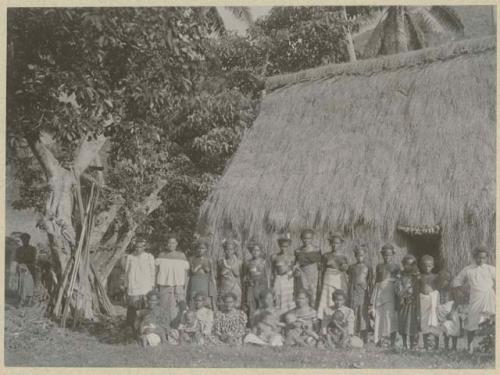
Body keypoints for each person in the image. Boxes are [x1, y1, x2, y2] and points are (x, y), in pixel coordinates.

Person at [452, 245, 495, 352]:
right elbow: (456, 282)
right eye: (479, 257)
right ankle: (470, 347)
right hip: (475, 298)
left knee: (492, 321)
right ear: (474, 257)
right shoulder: (468, 270)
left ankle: (492, 346)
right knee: (472, 322)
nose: (481, 260)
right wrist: (463, 290)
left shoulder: (490, 269)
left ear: (487, 258)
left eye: (484, 258)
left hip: (489, 297)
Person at [156, 235, 190, 329]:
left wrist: (184, 288)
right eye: (169, 242)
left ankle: (175, 328)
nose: (171, 245)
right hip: (164, 286)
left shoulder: (181, 256)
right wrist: (156, 286)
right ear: (166, 244)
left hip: (178, 286)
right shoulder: (161, 255)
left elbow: (185, 274)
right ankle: (164, 327)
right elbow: (157, 271)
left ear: (176, 244)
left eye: (173, 242)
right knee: (163, 306)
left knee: (176, 308)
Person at [370, 243, 399, 347]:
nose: (387, 257)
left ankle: (392, 341)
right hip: (379, 293)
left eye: (389, 255)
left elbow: (398, 283)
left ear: (393, 255)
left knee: (389, 316)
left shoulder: (396, 267)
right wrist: (373, 296)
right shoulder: (379, 266)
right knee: (379, 316)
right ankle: (378, 341)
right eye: (385, 255)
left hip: (390, 293)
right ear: (382, 255)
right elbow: (377, 281)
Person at [125, 236, 155, 329]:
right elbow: (127, 272)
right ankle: (131, 327)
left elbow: (152, 272)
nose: (138, 249)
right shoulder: (130, 257)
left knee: (145, 307)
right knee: (133, 308)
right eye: (137, 247)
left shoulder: (149, 257)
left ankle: (144, 327)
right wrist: (126, 285)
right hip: (133, 286)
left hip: (145, 286)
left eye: (140, 247)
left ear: (144, 247)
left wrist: (152, 285)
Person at [317, 232, 349, 319]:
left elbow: (346, 269)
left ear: (341, 244)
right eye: (333, 243)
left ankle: (339, 318)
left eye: (337, 243)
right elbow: (322, 269)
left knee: (338, 297)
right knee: (327, 297)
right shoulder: (326, 255)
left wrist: (344, 267)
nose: (335, 245)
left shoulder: (344, 257)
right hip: (328, 278)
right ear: (330, 243)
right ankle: (325, 318)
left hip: (339, 279)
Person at [347, 244, 373, 344]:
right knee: (353, 310)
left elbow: (370, 281)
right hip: (353, 291)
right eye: (358, 255)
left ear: (365, 255)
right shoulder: (351, 267)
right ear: (355, 256)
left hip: (363, 292)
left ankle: (364, 335)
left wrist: (368, 291)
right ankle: (353, 334)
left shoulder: (368, 267)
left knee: (363, 312)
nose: (359, 257)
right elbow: (350, 280)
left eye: (361, 255)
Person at [396, 255, 420, 350]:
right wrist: (401, 295)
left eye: (411, 265)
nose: (408, 267)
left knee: (411, 323)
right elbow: (397, 286)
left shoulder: (415, 276)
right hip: (402, 302)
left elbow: (418, 289)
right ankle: (405, 344)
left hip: (412, 302)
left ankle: (412, 344)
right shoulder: (400, 275)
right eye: (406, 264)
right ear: (403, 264)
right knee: (403, 322)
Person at [294, 229, 322, 307]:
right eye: (304, 238)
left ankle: (312, 312)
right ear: (301, 238)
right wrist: (296, 269)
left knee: (313, 293)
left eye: (309, 238)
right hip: (302, 274)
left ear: (312, 238)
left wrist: (319, 276)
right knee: (303, 293)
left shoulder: (317, 249)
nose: (306, 240)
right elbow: (296, 263)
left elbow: (319, 263)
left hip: (313, 274)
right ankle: (304, 311)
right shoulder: (298, 251)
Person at [187, 239, 217, 309]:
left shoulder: (209, 260)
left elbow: (211, 274)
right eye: (198, 248)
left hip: (205, 284)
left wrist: (213, 287)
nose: (200, 250)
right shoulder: (192, 259)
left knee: (205, 302)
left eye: (202, 248)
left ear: (206, 249)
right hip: (194, 283)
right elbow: (190, 273)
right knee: (193, 302)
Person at [419, 255, 441, 350]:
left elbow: (441, 285)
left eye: (429, 266)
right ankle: (425, 345)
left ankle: (436, 345)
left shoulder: (436, 276)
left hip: (433, 299)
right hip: (423, 299)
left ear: (433, 266)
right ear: (421, 266)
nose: (427, 268)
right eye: (425, 266)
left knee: (435, 321)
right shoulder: (420, 277)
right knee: (424, 321)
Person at [243, 241, 269, 319]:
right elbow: (245, 277)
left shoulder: (264, 262)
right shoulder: (247, 263)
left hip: (262, 286)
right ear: (251, 251)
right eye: (253, 250)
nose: (255, 252)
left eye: (257, 250)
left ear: (260, 251)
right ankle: (252, 325)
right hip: (251, 287)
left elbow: (268, 276)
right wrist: (248, 281)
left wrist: (267, 289)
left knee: (261, 304)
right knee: (251, 305)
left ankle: (261, 324)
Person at [272, 237, 295, 316]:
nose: (283, 248)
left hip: (289, 279)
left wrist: (291, 274)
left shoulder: (292, 257)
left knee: (288, 297)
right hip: (279, 278)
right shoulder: (275, 256)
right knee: (278, 296)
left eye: (286, 246)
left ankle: (288, 316)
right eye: (282, 246)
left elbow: (295, 268)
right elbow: (272, 269)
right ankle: (279, 315)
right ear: (279, 246)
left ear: (288, 246)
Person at [217, 240, 242, 307]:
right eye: (227, 249)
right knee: (223, 306)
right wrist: (222, 273)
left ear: (234, 250)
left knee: (236, 306)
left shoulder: (239, 262)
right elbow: (217, 276)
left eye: (231, 249)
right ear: (224, 250)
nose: (228, 251)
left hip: (235, 287)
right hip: (224, 287)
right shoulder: (220, 262)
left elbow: (240, 275)